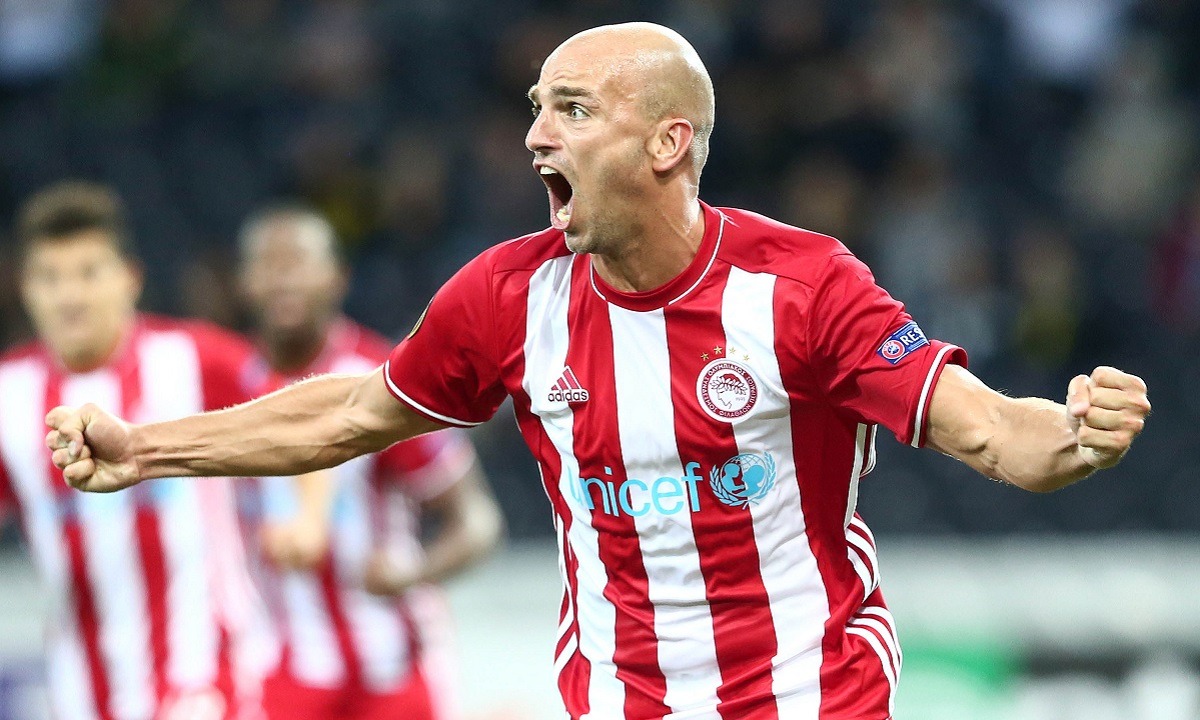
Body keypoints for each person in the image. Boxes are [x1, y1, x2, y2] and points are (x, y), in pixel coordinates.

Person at [45, 23, 1152, 720]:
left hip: (817, 694)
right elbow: (350, 413)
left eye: (571, 109)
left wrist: (1077, 434)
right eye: (535, 109)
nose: (537, 136)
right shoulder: (504, 295)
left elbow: (992, 433)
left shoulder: (803, 287)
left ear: (667, 143)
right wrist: (144, 449)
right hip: (622, 699)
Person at [0, 181, 273, 720]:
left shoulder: (195, 358)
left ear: (130, 277)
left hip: (206, 677)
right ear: (25, 288)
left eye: (88, 273)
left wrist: (300, 514)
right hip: (79, 688)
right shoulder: (9, 394)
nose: (70, 296)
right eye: (49, 277)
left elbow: (300, 410)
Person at [233, 205, 503, 720]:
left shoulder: (383, 381)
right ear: (243, 282)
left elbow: (477, 521)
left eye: (299, 262)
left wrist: (412, 572)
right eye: (269, 264)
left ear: (338, 278)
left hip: (390, 669)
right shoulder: (228, 384)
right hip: (278, 673)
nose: (284, 278)